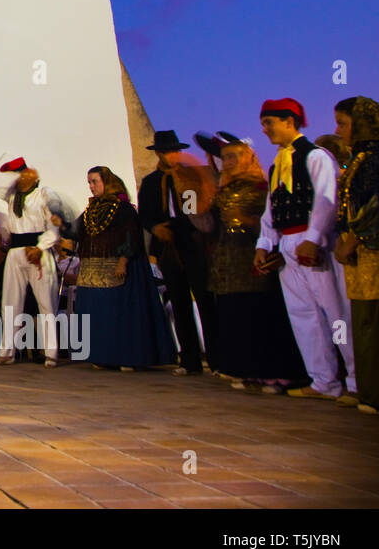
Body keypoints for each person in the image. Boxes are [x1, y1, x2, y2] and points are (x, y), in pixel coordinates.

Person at [253, 98, 356, 400]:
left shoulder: (316, 157)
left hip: (314, 243)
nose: (265, 129)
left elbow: (326, 199)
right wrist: (264, 243)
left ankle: (357, 382)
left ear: (289, 121)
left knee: (337, 314)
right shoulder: (277, 164)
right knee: (304, 316)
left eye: (269, 122)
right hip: (287, 245)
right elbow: (271, 210)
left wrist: (314, 237)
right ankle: (323, 380)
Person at [195, 134, 307, 392]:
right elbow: (208, 223)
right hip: (229, 258)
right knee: (237, 314)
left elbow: (271, 221)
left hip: (254, 255)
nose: (229, 162)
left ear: (248, 158)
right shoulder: (224, 188)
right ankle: (247, 370)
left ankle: (277, 373)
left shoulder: (262, 186)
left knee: (261, 314)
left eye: (235, 156)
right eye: (225, 158)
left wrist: (250, 224)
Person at [65, 166, 176, 371]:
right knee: (99, 314)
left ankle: (128, 356)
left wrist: (123, 260)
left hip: (118, 267)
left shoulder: (122, 208)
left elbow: (130, 235)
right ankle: (102, 355)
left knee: (122, 313)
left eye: (94, 182)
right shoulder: (92, 210)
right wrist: (60, 222)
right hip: (94, 270)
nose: (91, 186)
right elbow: (74, 230)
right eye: (89, 182)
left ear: (106, 182)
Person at [137, 131, 218, 375]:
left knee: (205, 302)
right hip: (168, 248)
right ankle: (189, 360)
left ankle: (216, 359)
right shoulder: (151, 182)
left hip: (191, 243)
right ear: (160, 154)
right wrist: (155, 228)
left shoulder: (189, 177)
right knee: (179, 303)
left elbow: (194, 211)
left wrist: (178, 227)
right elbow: (146, 213)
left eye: (175, 151)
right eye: (167, 152)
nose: (172, 156)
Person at [334, 96, 379, 414]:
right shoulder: (360, 157)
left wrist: (352, 240)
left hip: (376, 252)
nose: (338, 129)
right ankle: (369, 392)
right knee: (365, 322)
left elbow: (378, 206)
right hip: (359, 256)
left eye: (343, 122)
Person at [0, 158, 61, 366]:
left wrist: (41, 247)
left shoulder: (44, 194)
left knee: (46, 303)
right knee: (10, 302)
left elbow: (53, 226)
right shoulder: (12, 195)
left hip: (38, 250)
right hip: (16, 252)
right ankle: (7, 352)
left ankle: (51, 353)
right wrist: (17, 177)